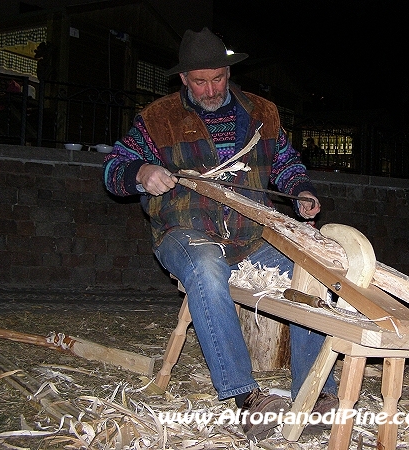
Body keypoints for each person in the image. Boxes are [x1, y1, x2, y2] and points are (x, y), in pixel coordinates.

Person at [103, 27, 338, 439]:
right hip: (184, 231)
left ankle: (316, 392)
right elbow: (113, 169)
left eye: (218, 78)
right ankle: (247, 398)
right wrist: (141, 172)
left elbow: (286, 163)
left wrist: (302, 192)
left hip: (250, 236)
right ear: (183, 78)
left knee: (313, 268)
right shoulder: (158, 118)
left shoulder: (262, 114)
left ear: (228, 73)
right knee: (208, 267)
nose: (211, 89)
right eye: (200, 81)